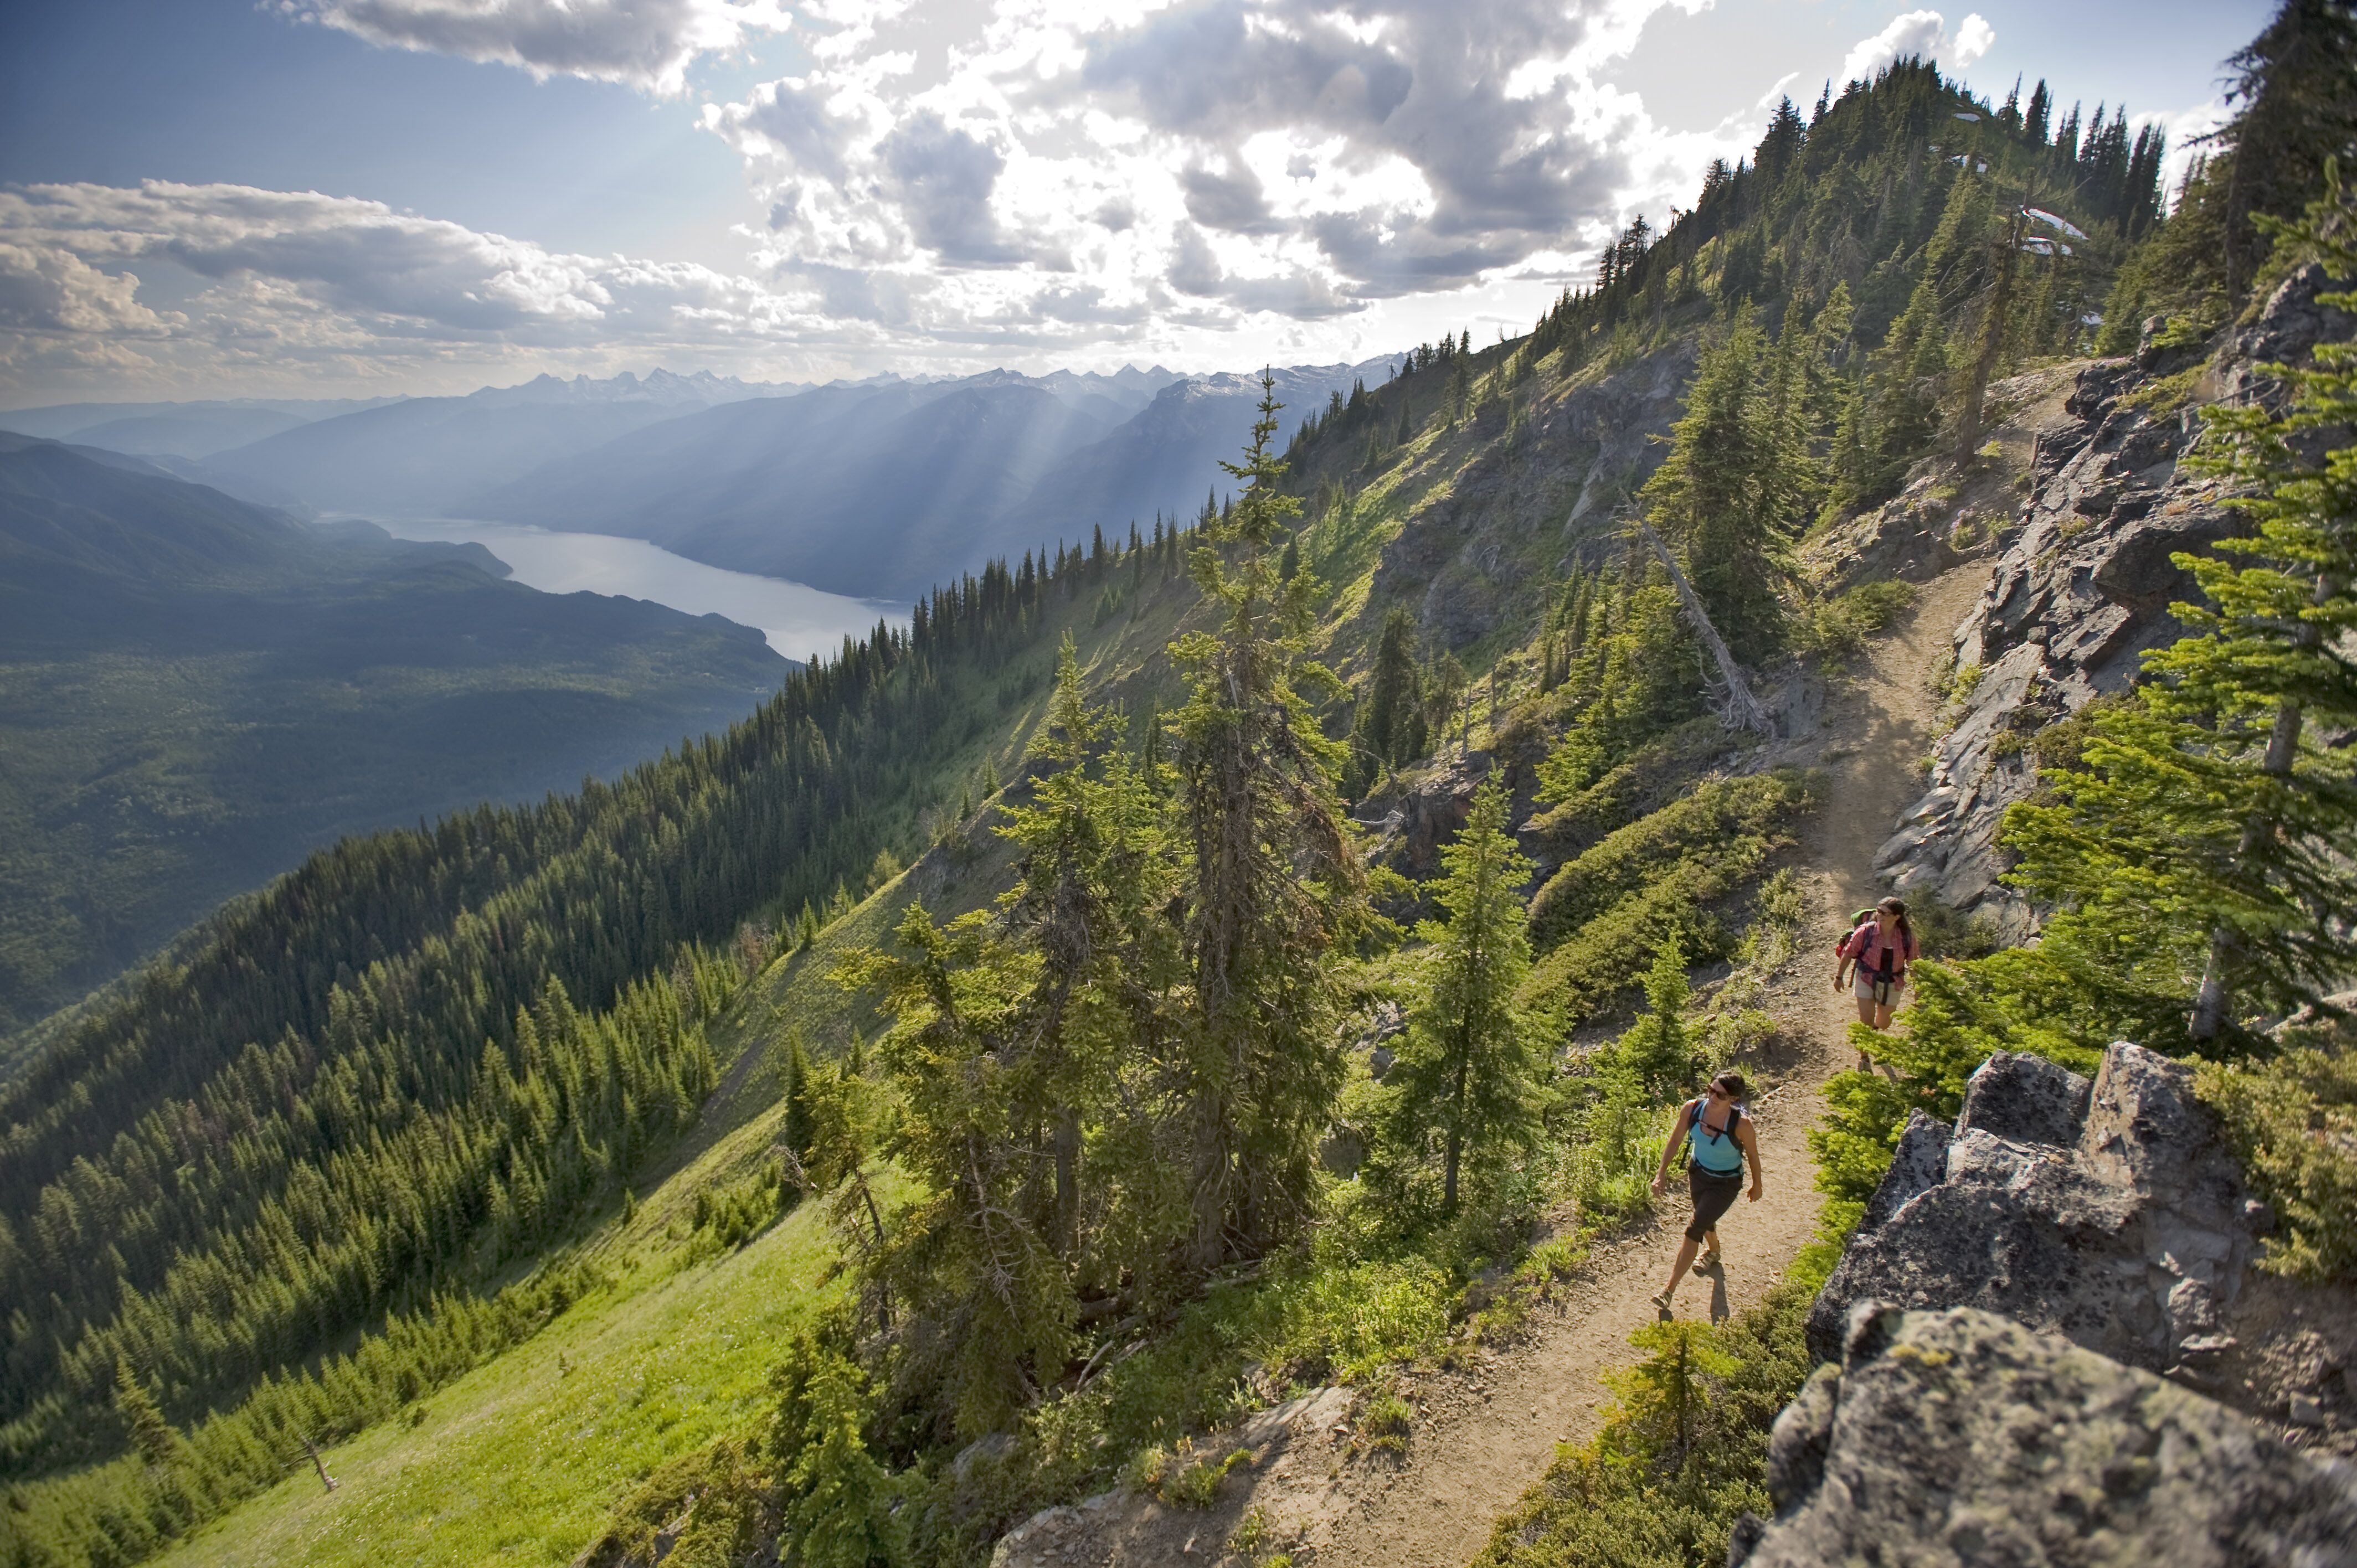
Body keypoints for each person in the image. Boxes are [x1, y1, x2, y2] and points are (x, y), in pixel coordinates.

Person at [1648, 1071, 1762, 1317]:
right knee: (1704, 1217)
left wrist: (1757, 1184)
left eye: (1720, 1095)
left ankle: (1668, 1290)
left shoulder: (1741, 1125)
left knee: (1695, 1227)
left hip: (1726, 1183)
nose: (1712, 1097)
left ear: (1732, 1098)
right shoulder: (1692, 1109)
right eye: (1710, 1090)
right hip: (1698, 1173)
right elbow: (1675, 1139)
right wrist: (1661, 1173)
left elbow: (1752, 1155)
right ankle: (1714, 1251)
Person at [1835, 896, 1917, 1034]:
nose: (1879, 915)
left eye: (1885, 913)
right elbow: (1848, 953)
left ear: (1896, 917)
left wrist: (1918, 989)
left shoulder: (1907, 938)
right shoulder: (1865, 932)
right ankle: (1864, 1053)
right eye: (1879, 911)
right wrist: (1839, 978)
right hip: (1866, 978)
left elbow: (1913, 963)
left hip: (1893, 983)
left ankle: (1872, 1033)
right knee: (1866, 1019)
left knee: (1884, 1023)